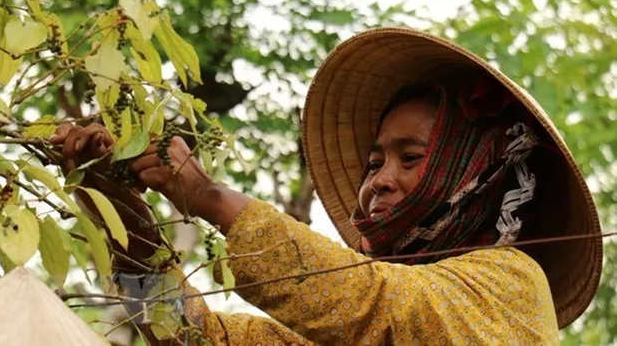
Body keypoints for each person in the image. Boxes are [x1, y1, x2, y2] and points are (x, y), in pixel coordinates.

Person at [51, 28, 603, 345]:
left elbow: (380, 306)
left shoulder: (512, 285)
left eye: (411, 158)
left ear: (474, 172)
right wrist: (115, 205)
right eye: (372, 163)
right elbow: (191, 337)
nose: (380, 181)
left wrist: (207, 196)